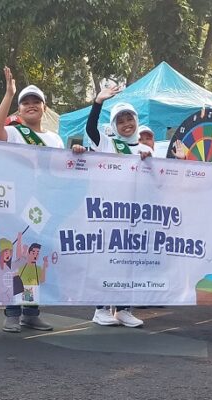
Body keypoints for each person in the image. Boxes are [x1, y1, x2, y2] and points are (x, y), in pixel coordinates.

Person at [0, 67, 62, 333]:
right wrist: (9, 93)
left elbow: (62, 170)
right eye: (25, 102)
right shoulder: (16, 132)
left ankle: (31, 311)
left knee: (32, 258)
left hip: (43, 205)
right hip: (17, 202)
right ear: (19, 110)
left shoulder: (54, 138)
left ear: (44, 107)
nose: (31, 106)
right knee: (14, 257)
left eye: (35, 102)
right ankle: (11, 311)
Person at [74, 85, 151, 328]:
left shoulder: (145, 149)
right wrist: (98, 103)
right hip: (109, 213)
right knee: (105, 260)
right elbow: (90, 129)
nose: (126, 124)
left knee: (130, 262)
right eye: (121, 121)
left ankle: (124, 309)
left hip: (135, 215)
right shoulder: (107, 144)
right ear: (115, 125)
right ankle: (101, 308)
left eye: (130, 119)